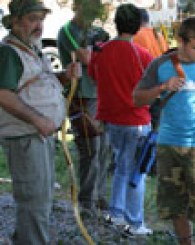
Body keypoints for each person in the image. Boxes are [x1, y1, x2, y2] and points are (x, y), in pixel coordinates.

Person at [133, 16, 195, 245]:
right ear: (180, 40)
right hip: (168, 143)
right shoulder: (160, 65)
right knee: (175, 205)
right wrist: (161, 87)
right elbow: (137, 98)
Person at [0, 0, 79, 244]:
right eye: (33, 19)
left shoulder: (30, 48)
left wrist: (65, 76)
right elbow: (4, 94)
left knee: (40, 201)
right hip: (26, 136)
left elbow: (39, 80)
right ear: (15, 21)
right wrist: (38, 119)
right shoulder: (9, 52)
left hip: (37, 135)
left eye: (41, 19)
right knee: (34, 203)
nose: (39, 25)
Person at [88, 3, 154, 236]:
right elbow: (153, 84)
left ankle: (117, 213)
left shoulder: (101, 51)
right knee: (136, 172)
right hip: (135, 120)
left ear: (116, 24)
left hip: (110, 119)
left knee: (121, 167)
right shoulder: (142, 55)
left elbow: (93, 74)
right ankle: (134, 223)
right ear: (137, 27)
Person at [57, 0, 110, 212]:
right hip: (80, 95)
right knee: (90, 148)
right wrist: (96, 46)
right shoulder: (67, 31)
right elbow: (87, 58)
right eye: (86, 11)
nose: (90, 17)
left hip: (100, 94)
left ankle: (99, 196)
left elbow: (108, 57)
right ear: (76, 8)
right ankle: (86, 202)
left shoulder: (97, 30)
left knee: (104, 148)